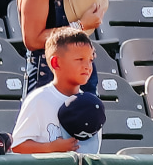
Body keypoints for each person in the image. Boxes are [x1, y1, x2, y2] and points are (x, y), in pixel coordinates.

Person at [8, 27, 100, 155]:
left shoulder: (91, 104)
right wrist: (51, 147)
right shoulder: (39, 99)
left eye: (90, 60)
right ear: (56, 62)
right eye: (80, 59)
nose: (87, 66)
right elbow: (17, 146)